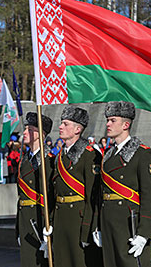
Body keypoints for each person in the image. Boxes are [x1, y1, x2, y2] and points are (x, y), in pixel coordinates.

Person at [99, 101, 151, 267]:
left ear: (126, 124)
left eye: (112, 120)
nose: (108, 124)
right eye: (107, 120)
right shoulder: (108, 155)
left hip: (129, 225)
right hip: (109, 224)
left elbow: (150, 196)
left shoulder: (142, 154)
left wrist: (143, 233)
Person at [48, 106, 102, 267]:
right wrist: (50, 222)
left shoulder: (90, 154)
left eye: (65, 124)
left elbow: (93, 196)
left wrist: (89, 228)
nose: (60, 127)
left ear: (78, 129)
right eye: (61, 123)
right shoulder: (59, 156)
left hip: (78, 221)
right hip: (60, 220)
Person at [16, 112, 54, 267]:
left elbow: (51, 195)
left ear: (40, 134)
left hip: (40, 220)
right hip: (26, 221)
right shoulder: (25, 160)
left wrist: (50, 225)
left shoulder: (48, 161)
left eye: (29, 129)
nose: (24, 133)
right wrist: (18, 228)